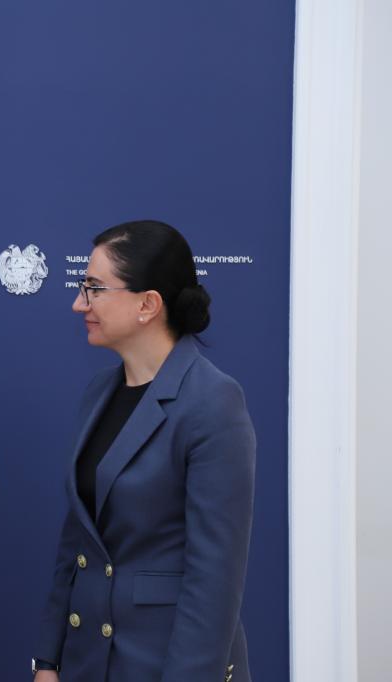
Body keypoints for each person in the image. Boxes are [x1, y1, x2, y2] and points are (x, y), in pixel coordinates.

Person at [32, 220, 255, 682]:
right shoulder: (100, 391)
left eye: (94, 289)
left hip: (164, 663)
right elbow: (77, 543)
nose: (79, 303)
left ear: (147, 304)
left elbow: (214, 579)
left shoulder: (212, 401)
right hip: (87, 662)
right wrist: (48, 661)